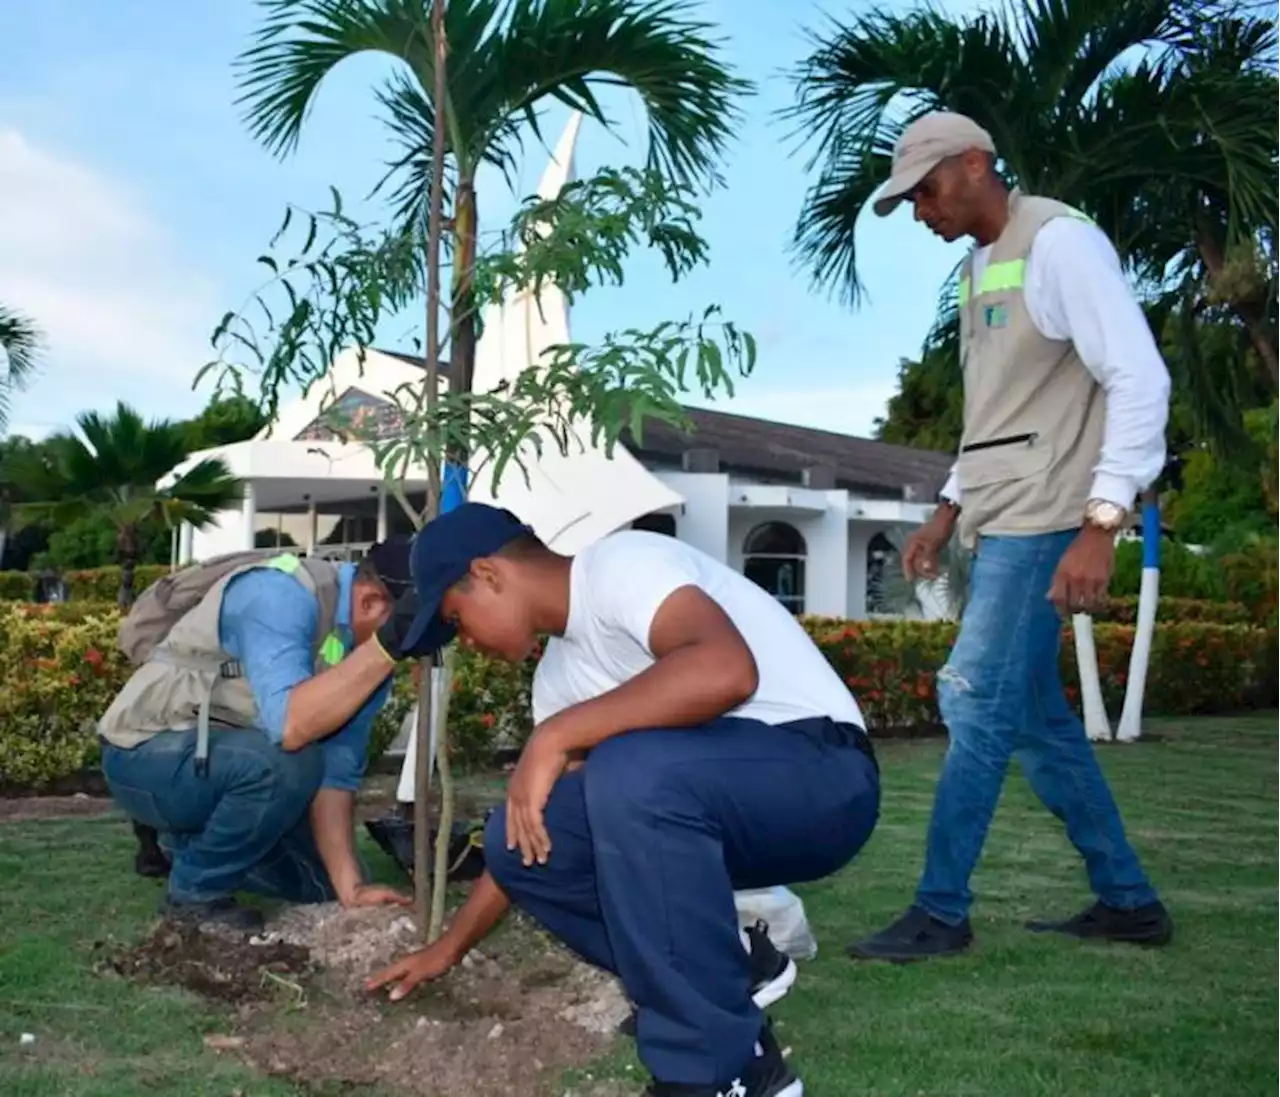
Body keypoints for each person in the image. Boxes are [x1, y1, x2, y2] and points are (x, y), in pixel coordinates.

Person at [365, 503, 881, 1097]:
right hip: (713, 808)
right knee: (520, 836)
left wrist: (556, 737)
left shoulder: (620, 564)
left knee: (627, 768)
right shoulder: (558, 680)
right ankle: (744, 1047)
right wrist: (448, 949)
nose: (469, 642)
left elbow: (724, 671)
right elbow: (539, 842)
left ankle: (700, 1076)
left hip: (824, 777)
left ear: (488, 574)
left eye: (457, 620)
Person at [847, 110, 1174, 963]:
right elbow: (998, 414)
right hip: (1001, 515)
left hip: (1047, 518)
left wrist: (1104, 521)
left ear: (975, 163)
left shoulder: (1060, 244)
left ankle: (940, 910)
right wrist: (946, 512)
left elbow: (1139, 378)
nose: (921, 211)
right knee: (1036, 720)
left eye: (926, 190)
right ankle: (1128, 899)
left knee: (974, 697)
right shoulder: (977, 268)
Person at [97, 540, 426, 933]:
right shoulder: (279, 594)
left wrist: (350, 889)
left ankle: (182, 844)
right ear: (371, 602)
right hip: (145, 752)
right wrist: (383, 651)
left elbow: (335, 775)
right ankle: (193, 895)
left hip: (229, 761)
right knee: (289, 763)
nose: (407, 651)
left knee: (320, 882)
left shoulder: (368, 660)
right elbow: (291, 727)